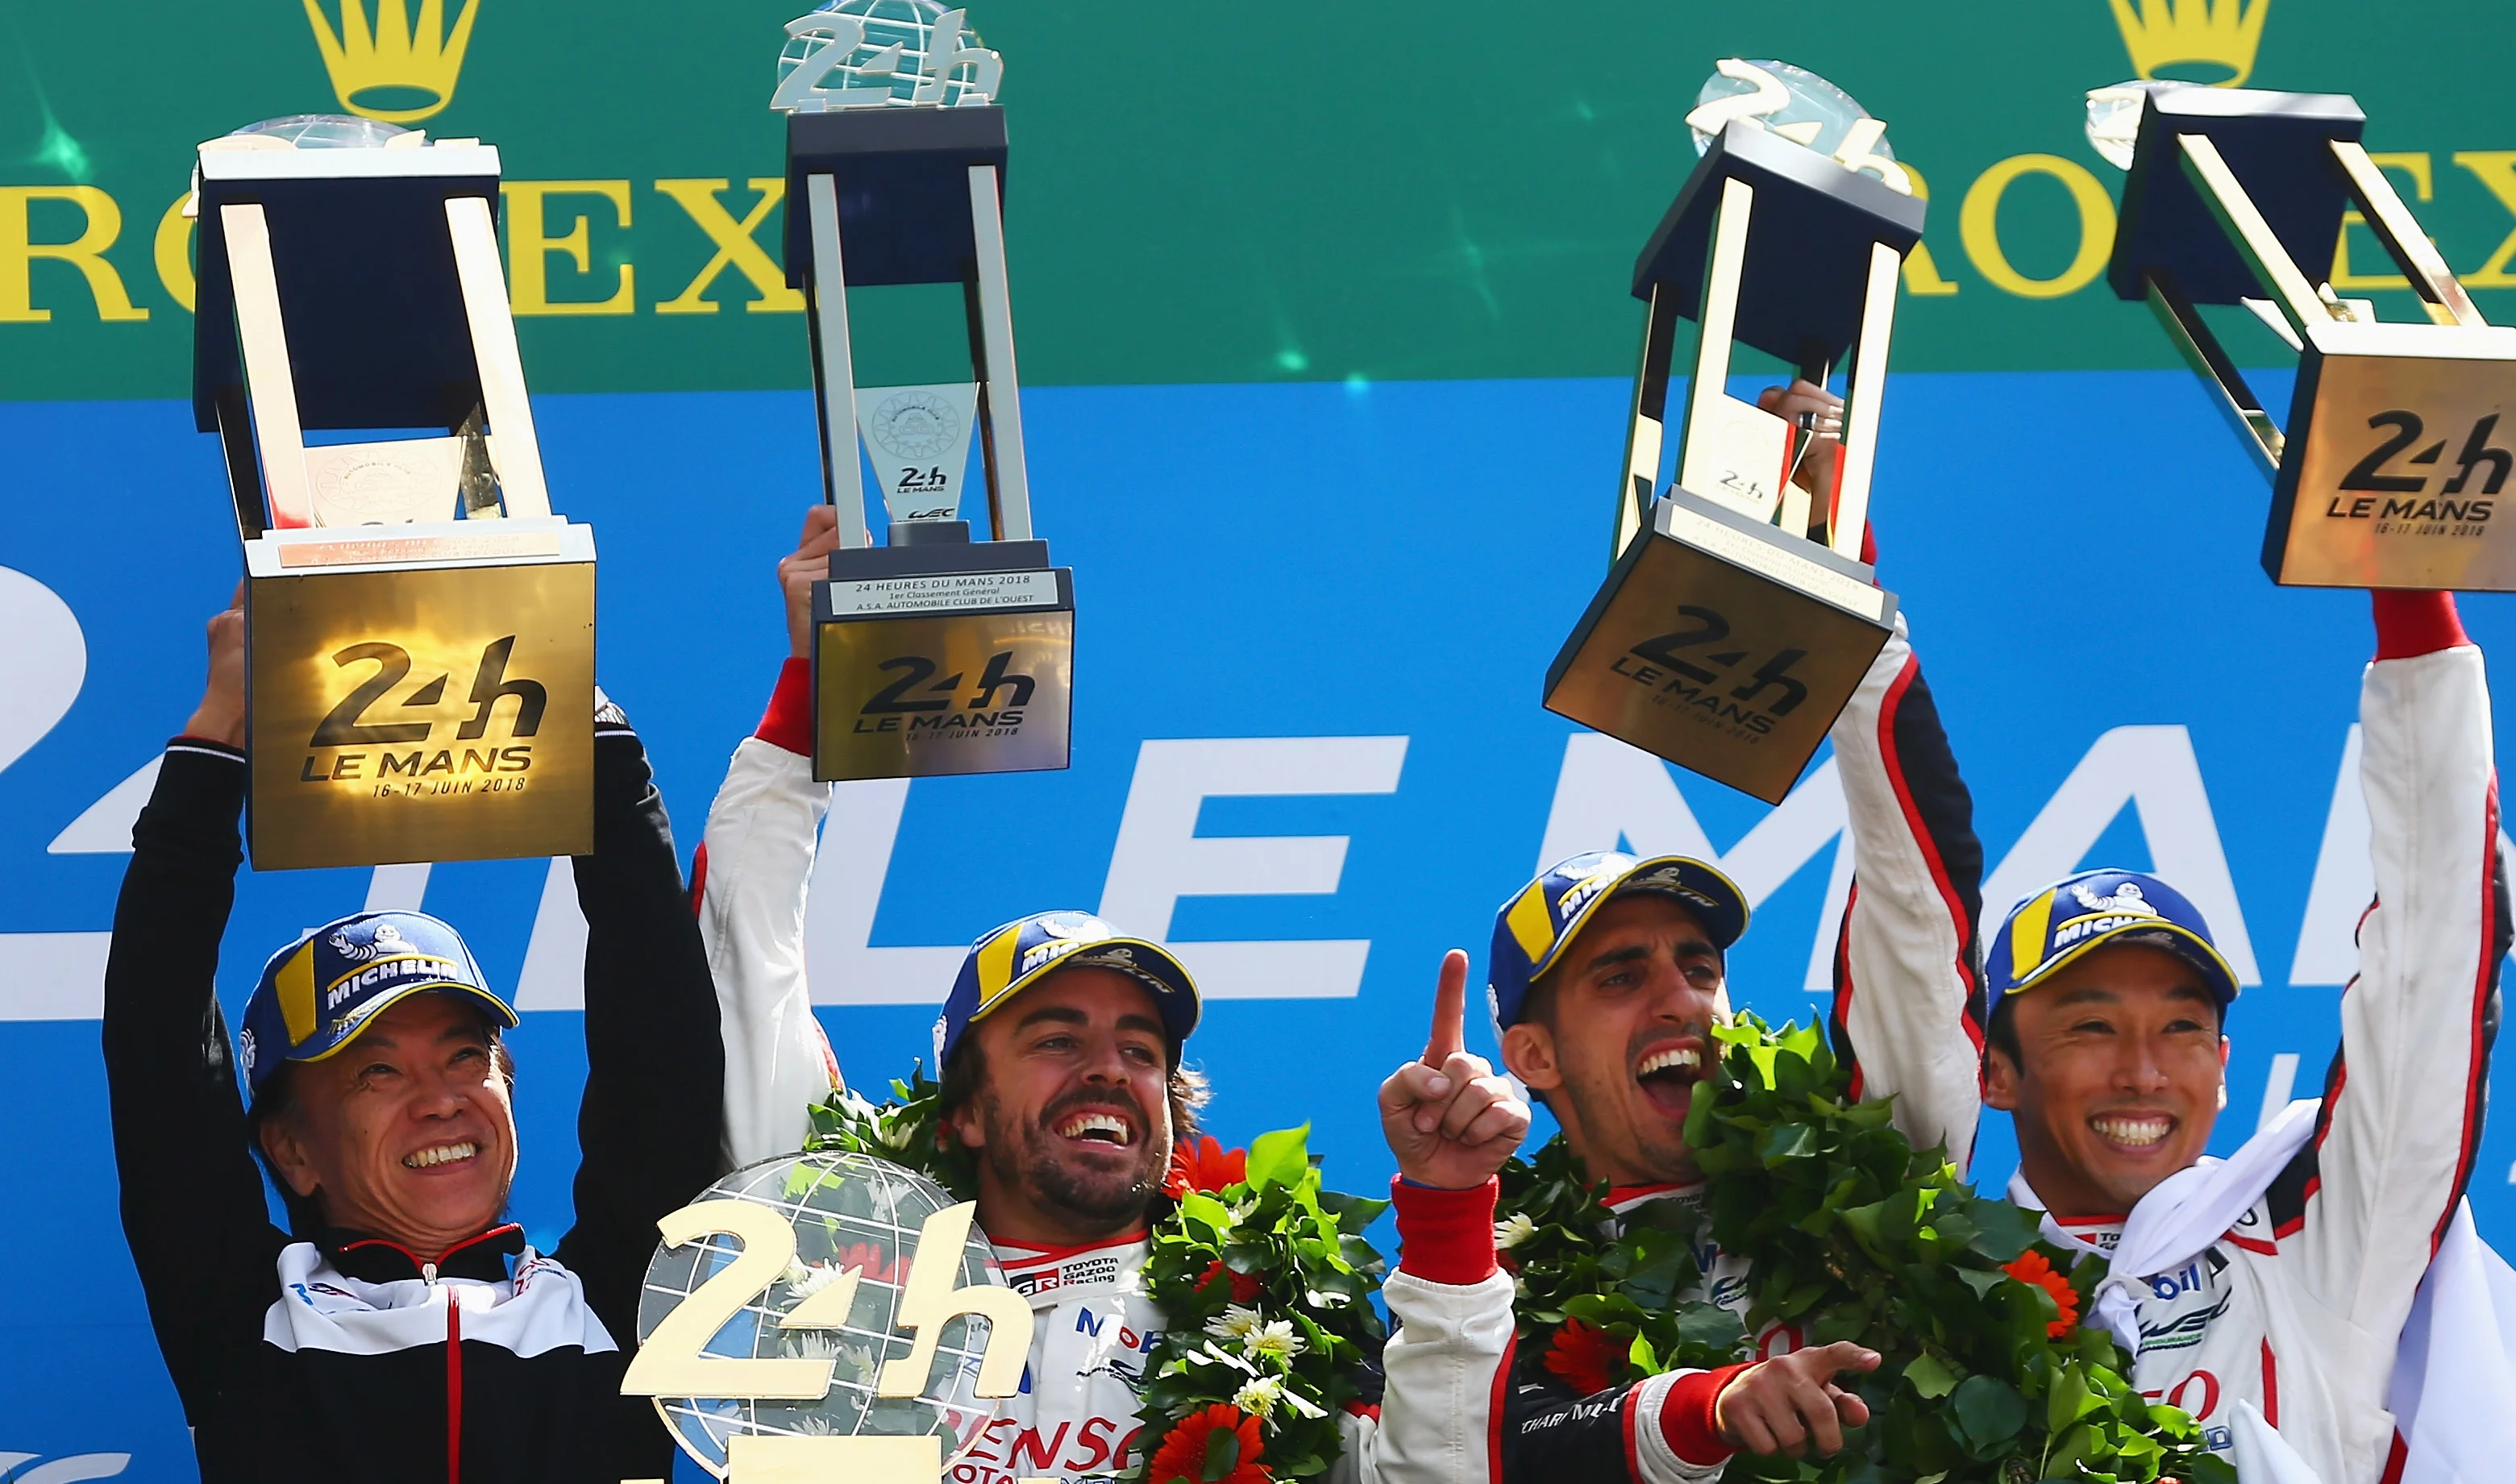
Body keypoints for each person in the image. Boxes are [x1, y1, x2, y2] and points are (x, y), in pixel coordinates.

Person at [694, 509, 1403, 1484]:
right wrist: (818, 689)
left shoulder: (1278, 1318)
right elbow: (746, 948)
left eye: (1140, 1048)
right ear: (967, 1109)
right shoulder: (844, 1252)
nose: (1109, 1066)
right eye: (1056, 1038)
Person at [1366, 382, 1993, 1483]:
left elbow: (1920, 905)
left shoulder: (1871, 1168)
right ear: (1532, 1054)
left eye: (1698, 965)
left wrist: (1836, 572)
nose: (1679, 996)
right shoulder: (1487, 1283)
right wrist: (1704, 1408)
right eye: (1620, 973)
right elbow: (1455, 1465)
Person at [102, 592, 726, 1484]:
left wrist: (588, 741)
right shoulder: (250, 1319)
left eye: (466, 1056)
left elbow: (663, 1055)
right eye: (377, 1072)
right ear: (291, 1146)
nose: (442, 1097)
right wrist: (221, 734)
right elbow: (157, 1054)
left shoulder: (608, 1300)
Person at [1975, 590, 2504, 1483]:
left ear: (2221, 1069)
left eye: (2181, 1027)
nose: (2142, 1072)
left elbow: (2431, 966)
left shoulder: (2316, 1247)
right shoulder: (1926, 1285)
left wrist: (2413, 597)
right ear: (1995, 1073)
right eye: (2091, 1026)